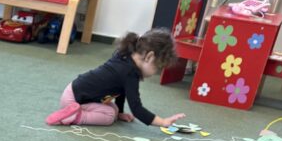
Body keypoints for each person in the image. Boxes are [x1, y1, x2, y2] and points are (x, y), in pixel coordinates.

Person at [46, 29, 186, 128]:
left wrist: (120, 113)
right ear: (149, 57)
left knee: (113, 110)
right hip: (74, 100)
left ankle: (77, 111)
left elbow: (121, 90)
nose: (155, 73)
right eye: (157, 67)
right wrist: (163, 122)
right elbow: (136, 108)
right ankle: (74, 117)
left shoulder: (126, 57)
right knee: (108, 116)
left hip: (73, 92)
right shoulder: (130, 73)